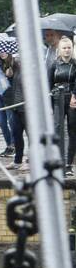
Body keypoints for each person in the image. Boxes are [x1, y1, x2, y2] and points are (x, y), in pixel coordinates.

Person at [47, 37, 76, 174]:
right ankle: (58, 162)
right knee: (57, 129)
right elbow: (48, 84)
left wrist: (74, 96)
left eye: (69, 47)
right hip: (57, 98)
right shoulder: (54, 64)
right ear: (60, 49)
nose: (67, 50)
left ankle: (69, 164)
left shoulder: (75, 64)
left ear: (72, 48)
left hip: (72, 99)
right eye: (64, 48)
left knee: (72, 131)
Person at [4, 54, 28, 171]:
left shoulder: (31, 70)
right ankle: (17, 161)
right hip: (15, 107)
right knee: (16, 135)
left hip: (26, 108)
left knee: (31, 136)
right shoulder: (14, 69)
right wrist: (8, 75)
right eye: (16, 58)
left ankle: (30, 161)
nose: (18, 59)